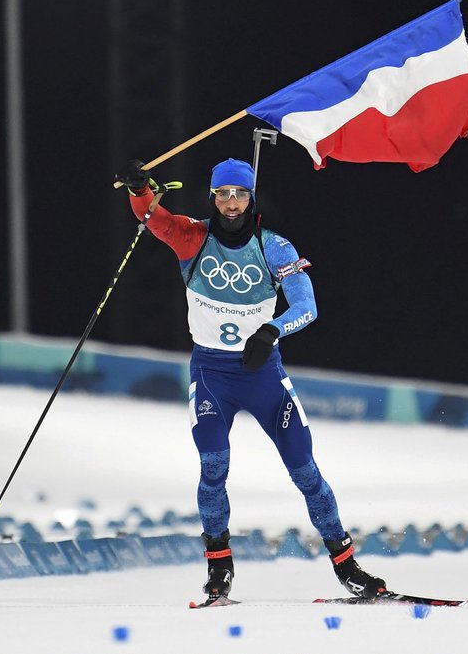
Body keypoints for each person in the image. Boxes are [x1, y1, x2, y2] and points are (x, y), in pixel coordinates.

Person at [114, 158, 387, 603]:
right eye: (223, 194)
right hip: (211, 374)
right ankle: (219, 567)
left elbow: (306, 305)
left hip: (263, 375)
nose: (231, 202)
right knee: (213, 467)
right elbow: (153, 218)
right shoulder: (192, 237)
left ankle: (346, 565)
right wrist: (139, 188)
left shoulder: (274, 247)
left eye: (239, 194)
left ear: (251, 197)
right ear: (213, 197)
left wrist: (271, 329)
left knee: (305, 470)